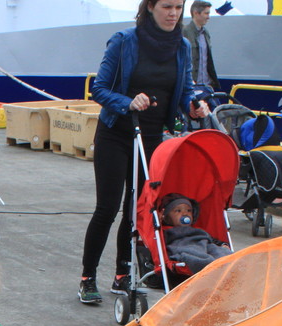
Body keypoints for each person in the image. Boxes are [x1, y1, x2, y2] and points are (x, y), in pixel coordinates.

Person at [77, 0, 208, 305]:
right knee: (107, 209)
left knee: (137, 212)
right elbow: (99, 88)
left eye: (178, 7)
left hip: (151, 138)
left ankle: (123, 273)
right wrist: (127, 101)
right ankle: (87, 277)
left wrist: (193, 104)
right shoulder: (124, 41)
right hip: (117, 134)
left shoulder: (182, 45)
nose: (173, 13)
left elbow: (185, 89)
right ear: (150, 7)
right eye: (166, 6)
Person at [155, 193, 231, 277]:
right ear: (166, 216)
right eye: (178, 211)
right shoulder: (166, 231)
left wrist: (222, 245)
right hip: (184, 247)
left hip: (204, 245)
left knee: (221, 252)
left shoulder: (197, 230)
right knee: (200, 256)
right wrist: (159, 222)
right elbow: (161, 243)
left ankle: (228, 263)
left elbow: (210, 239)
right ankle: (209, 265)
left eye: (188, 210)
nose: (185, 213)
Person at [183, 0, 219, 91]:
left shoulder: (205, 33)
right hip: (192, 86)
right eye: (206, 13)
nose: (208, 17)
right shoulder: (185, 32)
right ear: (196, 13)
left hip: (207, 86)